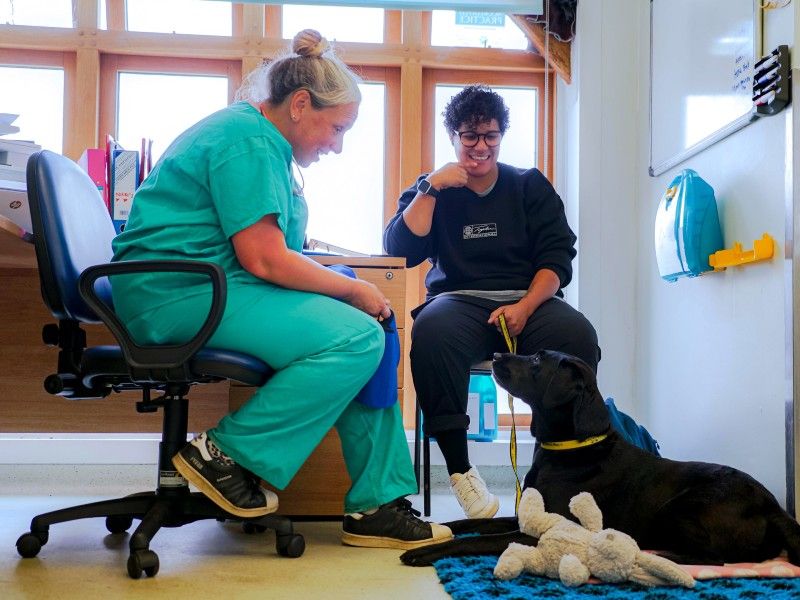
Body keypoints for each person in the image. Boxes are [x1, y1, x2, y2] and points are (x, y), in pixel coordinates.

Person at [110, 29, 452, 550]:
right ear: (299, 105)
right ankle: (224, 454)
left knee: (372, 328)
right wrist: (349, 291)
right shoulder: (247, 141)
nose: (336, 146)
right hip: (176, 295)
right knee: (354, 336)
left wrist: (349, 288)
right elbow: (265, 258)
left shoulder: (261, 141)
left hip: (214, 287)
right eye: (336, 128)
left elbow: (270, 250)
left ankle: (377, 503)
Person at [384, 85, 600, 519]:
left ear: (501, 136)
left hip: (528, 300)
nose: (480, 146)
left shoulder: (528, 185)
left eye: (490, 136)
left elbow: (558, 258)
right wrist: (430, 188)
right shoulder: (435, 188)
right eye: (470, 136)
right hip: (459, 302)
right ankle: (462, 472)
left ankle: (552, 466)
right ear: (454, 136)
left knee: (577, 334)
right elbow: (401, 250)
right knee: (430, 332)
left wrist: (525, 307)